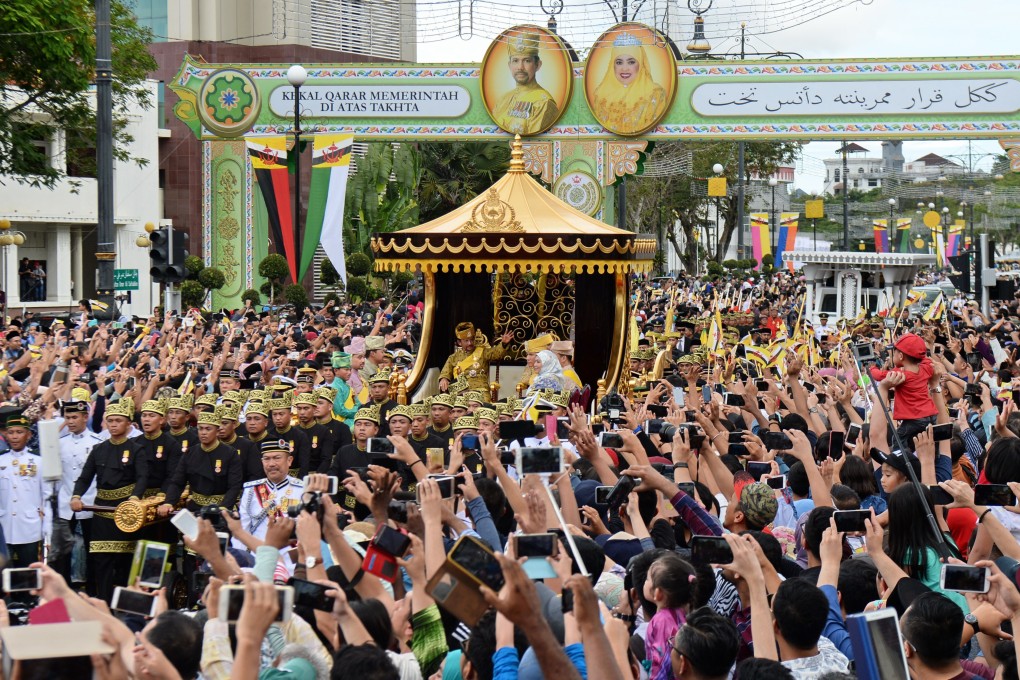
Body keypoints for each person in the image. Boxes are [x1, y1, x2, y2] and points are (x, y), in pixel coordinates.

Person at [70, 400, 148, 601]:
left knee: (124, 561)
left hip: (125, 511)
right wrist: (76, 496)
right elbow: (85, 477)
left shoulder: (137, 449)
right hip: (102, 509)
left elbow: (142, 478)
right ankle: (103, 602)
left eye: (118, 421)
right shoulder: (99, 449)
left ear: (128, 423)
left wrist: (133, 499)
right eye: (110, 420)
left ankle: (124, 603)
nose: (113, 425)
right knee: (101, 560)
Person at [48, 399, 103, 591]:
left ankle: (93, 589)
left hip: (89, 502)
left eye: (74, 417)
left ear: (85, 417)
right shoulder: (60, 443)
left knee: (92, 550)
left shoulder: (97, 442)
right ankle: (65, 589)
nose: (70, 421)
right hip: (65, 502)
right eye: (67, 417)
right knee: (63, 551)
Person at [590, 30, 668, 135]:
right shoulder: (600, 95)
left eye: (631, 62)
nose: (624, 68)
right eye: (619, 62)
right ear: (612, 65)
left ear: (640, 64)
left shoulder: (655, 93)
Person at [235, 439, 304, 548]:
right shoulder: (251, 490)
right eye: (266, 459)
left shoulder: (303, 490)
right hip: (259, 556)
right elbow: (243, 529)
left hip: (291, 559)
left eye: (277, 458)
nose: (271, 464)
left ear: (289, 461)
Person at [490, 31, 560, 136]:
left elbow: (536, 141)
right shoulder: (503, 100)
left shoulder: (544, 103)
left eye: (527, 61)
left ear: (538, 65)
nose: (520, 67)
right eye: (515, 61)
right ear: (509, 65)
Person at [439, 321, 513, 393]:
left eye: (471, 339)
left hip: (481, 391)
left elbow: (497, 354)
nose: (470, 343)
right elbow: (445, 372)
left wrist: (504, 344)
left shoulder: (483, 352)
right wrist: (444, 379)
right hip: (460, 392)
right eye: (466, 340)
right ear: (459, 342)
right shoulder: (453, 357)